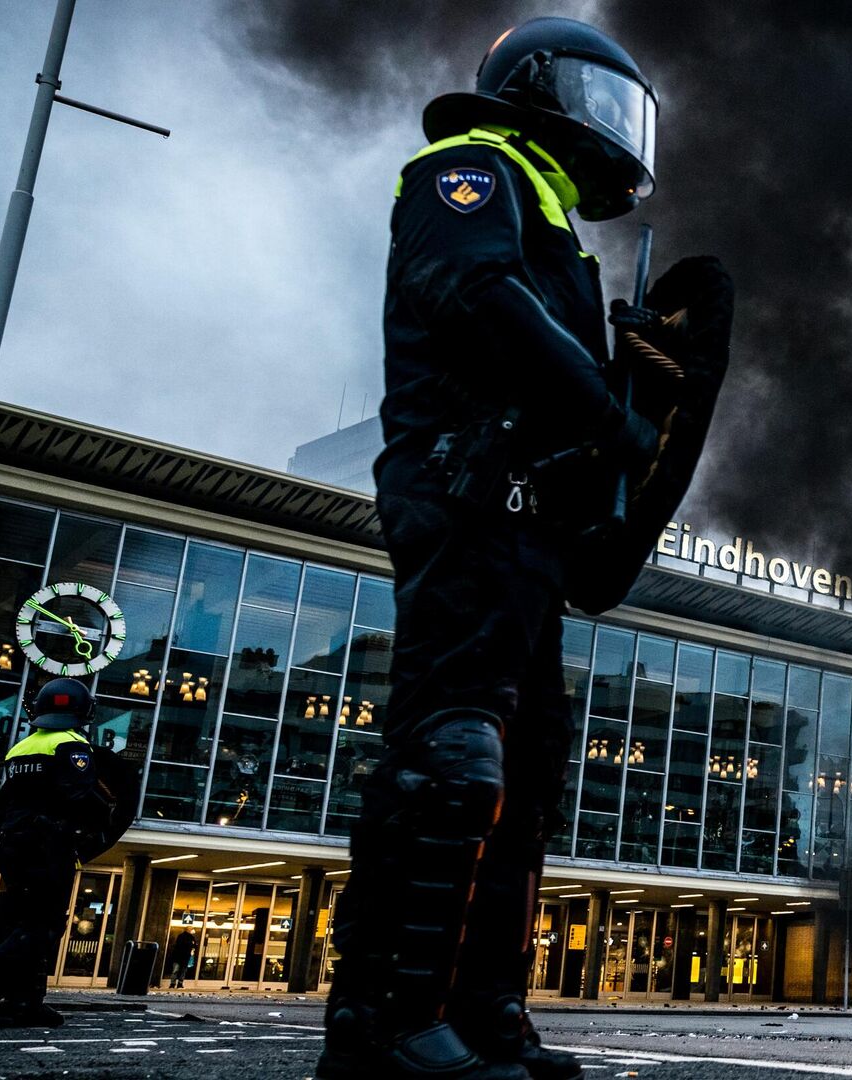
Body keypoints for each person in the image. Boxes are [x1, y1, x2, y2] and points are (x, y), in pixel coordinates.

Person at [321, 16, 731, 1080]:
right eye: (598, 97)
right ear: (537, 86)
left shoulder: (553, 218)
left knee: (524, 777)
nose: (613, 128)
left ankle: (486, 1015)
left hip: (529, 528)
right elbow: (471, 294)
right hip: (463, 497)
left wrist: (643, 381)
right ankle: (387, 1027)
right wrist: (605, 401)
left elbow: (546, 365)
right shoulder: (469, 167)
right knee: (449, 759)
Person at [0, 678, 116, 1027]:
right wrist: (104, 815)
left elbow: (4, 803)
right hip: (47, 844)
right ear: (84, 710)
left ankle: (22, 1002)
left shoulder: (21, 748)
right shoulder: (72, 745)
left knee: (15, 918)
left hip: (13, 842)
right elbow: (79, 797)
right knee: (44, 923)